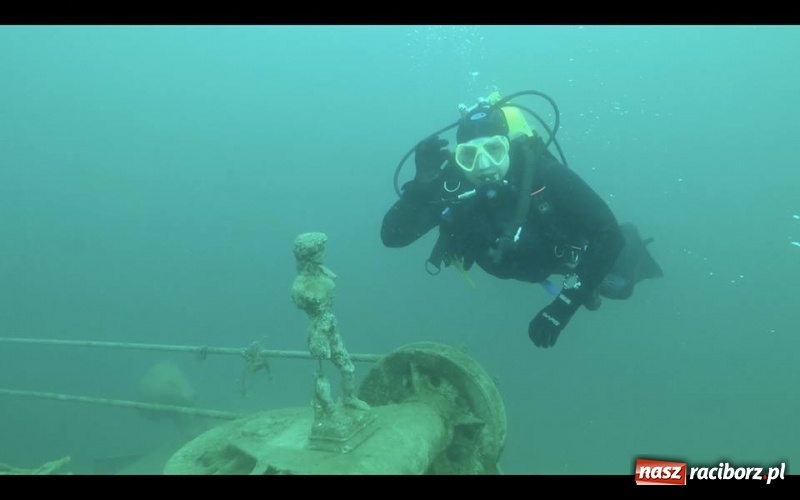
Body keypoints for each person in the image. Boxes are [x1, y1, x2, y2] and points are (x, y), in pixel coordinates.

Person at [380, 90, 663, 349]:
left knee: (620, 286)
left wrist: (562, 307)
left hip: (564, 259)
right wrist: (419, 187)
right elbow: (392, 237)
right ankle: (585, 282)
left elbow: (608, 234)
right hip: (522, 265)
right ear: (458, 159)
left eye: (493, 149)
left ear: (508, 145)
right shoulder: (453, 187)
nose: (483, 165)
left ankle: (619, 255)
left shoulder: (543, 174)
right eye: (469, 156)